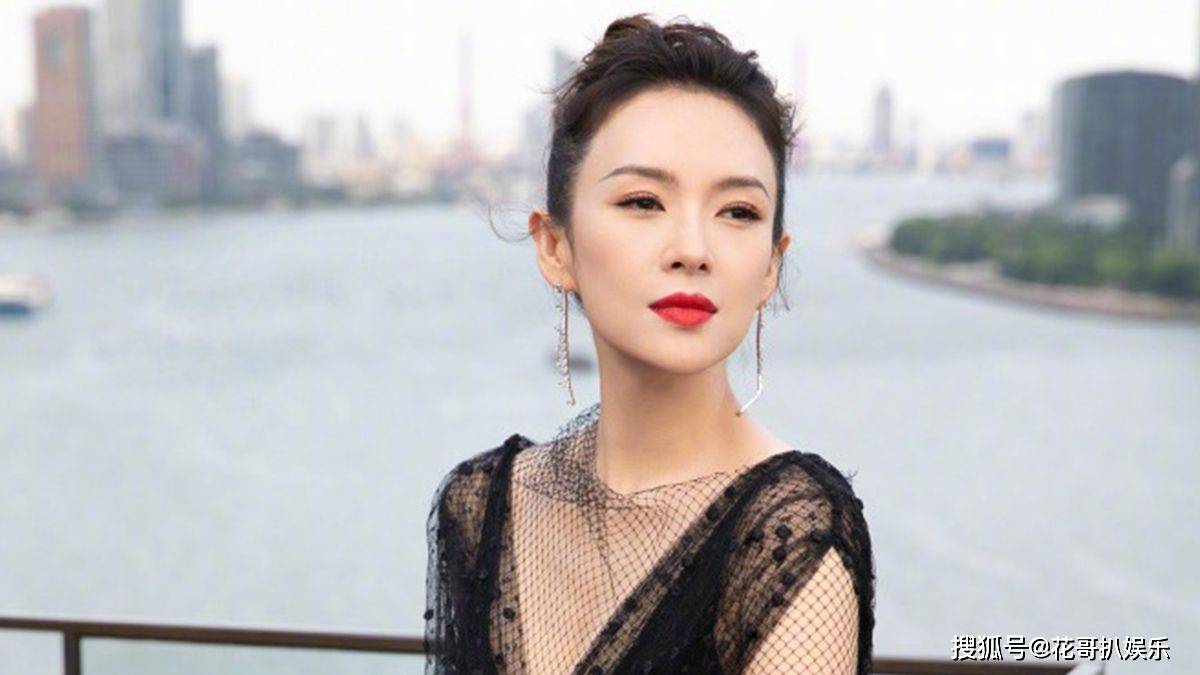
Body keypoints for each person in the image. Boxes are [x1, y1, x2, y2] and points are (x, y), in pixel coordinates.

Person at [423, 13, 875, 674]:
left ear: (770, 267)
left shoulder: (789, 534)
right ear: (555, 246)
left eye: (738, 211)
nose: (693, 249)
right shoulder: (483, 505)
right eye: (643, 202)